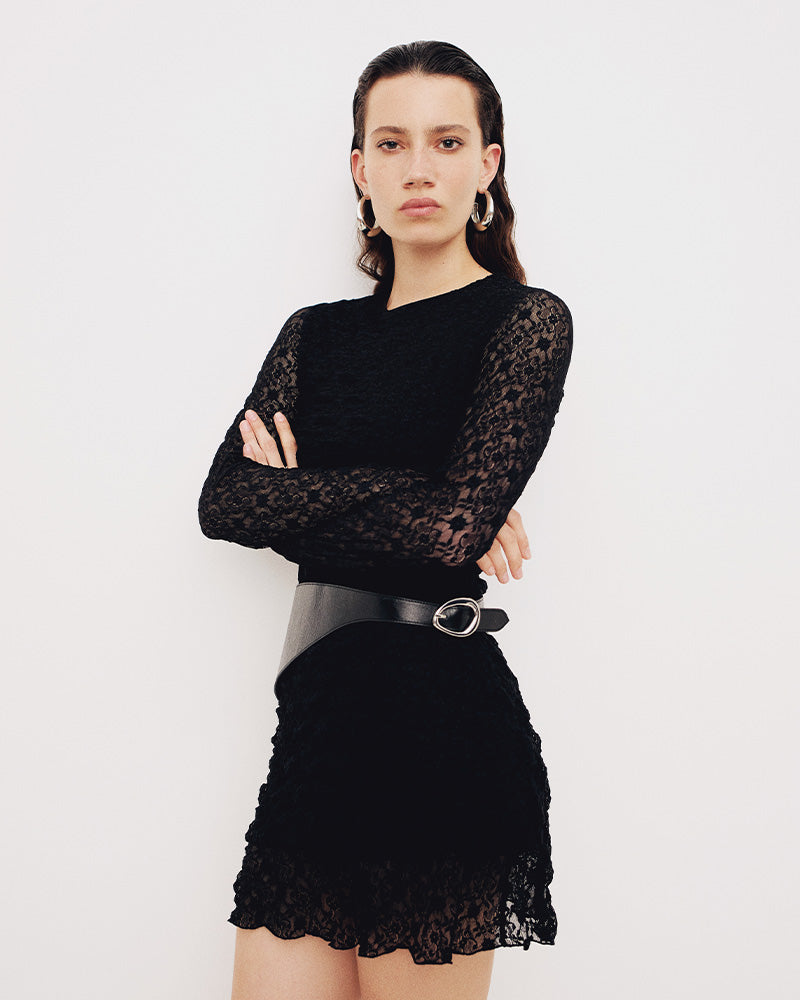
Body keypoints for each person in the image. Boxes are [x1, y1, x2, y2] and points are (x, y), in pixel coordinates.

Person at [198, 39, 574, 1000]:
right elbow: (225, 503)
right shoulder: (314, 335)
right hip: (317, 737)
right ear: (360, 169)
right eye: (392, 143)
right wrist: (423, 489)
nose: (419, 168)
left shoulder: (524, 322)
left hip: (438, 734)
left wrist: (305, 495)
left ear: (487, 164)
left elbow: (449, 534)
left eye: (447, 142)